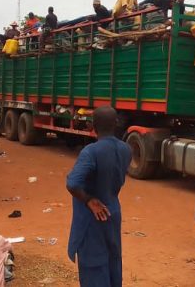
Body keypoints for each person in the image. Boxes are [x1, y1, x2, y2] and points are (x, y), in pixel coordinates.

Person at [66, 106, 132, 287]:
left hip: (93, 218)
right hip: (112, 213)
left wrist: (88, 200)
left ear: (92, 126)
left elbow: (72, 184)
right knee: (113, 261)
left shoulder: (91, 151)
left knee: (93, 267)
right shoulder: (126, 149)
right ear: (116, 123)